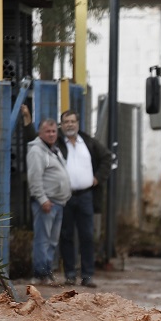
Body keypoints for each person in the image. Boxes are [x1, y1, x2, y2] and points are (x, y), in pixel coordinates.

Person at [56, 110, 113, 288]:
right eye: (66, 122)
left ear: (78, 123)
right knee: (66, 236)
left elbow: (107, 158)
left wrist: (98, 177)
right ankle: (70, 275)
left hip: (86, 196)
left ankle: (87, 275)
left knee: (87, 235)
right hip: (65, 196)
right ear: (61, 125)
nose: (70, 125)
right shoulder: (57, 143)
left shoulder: (88, 142)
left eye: (73, 121)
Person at [27, 118, 72, 285]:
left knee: (52, 241)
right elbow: (34, 178)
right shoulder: (37, 151)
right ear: (40, 133)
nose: (52, 134)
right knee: (43, 239)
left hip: (58, 202)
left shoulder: (53, 149)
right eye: (48, 131)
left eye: (54, 131)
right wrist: (42, 199)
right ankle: (40, 274)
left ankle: (47, 271)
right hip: (46, 203)